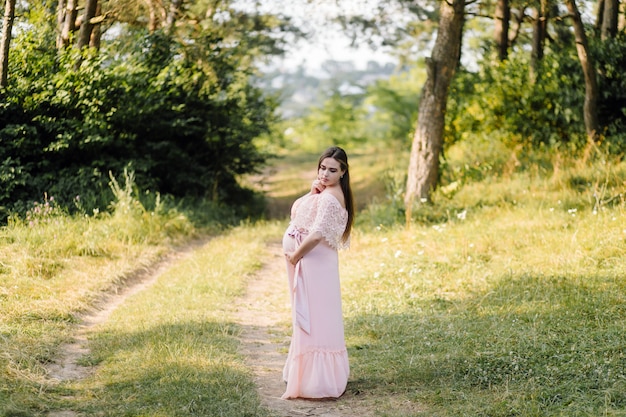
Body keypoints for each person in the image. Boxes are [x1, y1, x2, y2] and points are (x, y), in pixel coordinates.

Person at [281, 146, 355, 399]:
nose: (325, 174)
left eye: (332, 170)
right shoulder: (325, 193)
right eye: (322, 168)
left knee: (314, 318)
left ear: (343, 172)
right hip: (311, 262)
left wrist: (295, 255)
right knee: (309, 316)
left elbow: (316, 235)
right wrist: (313, 192)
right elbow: (297, 210)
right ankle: (304, 372)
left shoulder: (331, 197)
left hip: (313, 263)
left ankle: (317, 380)